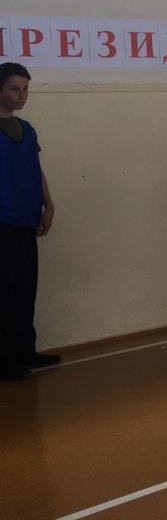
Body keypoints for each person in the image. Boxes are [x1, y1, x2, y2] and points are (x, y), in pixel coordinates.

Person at [0, 63, 59, 381]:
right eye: (14, 88)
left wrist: (48, 204)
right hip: (3, 223)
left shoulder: (27, 129)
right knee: (3, 294)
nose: (21, 95)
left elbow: (36, 168)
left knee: (25, 290)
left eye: (25, 89)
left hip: (26, 221)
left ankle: (24, 351)